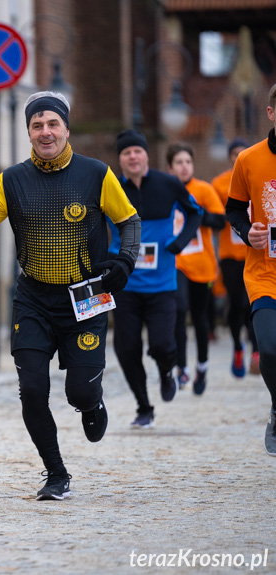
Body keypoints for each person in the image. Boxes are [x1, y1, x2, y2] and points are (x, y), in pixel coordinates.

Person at [0, 91, 141, 501]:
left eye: (52, 124)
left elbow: (129, 220)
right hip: (34, 300)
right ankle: (56, 472)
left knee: (79, 391)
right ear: (28, 132)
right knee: (32, 389)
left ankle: (91, 403)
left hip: (87, 297)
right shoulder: (12, 180)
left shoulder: (96, 173)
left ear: (66, 128)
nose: (45, 132)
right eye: (37, 126)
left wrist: (125, 263)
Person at [108, 130, 202, 429]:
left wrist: (180, 242)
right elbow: (94, 224)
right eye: (126, 153)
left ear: (147, 155)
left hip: (162, 285)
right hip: (125, 285)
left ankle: (166, 372)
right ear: (120, 158)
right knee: (126, 348)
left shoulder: (168, 183)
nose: (132, 157)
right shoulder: (109, 188)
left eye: (137, 151)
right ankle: (143, 406)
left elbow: (195, 212)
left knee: (162, 344)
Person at [226, 82, 276, 456]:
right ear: (271, 113)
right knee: (270, 349)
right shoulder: (249, 160)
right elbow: (233, 209)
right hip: (264, 274)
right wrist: (248, 232)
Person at [166, 142, 225, 395]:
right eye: (179, 162)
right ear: (170, 167)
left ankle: (202, 366)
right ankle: (181, 367)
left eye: (187, 162)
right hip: (176, 263)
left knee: (200, 318)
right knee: (179, 310)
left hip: (202, 264)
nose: (184, 166)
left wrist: (196, 213)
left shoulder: (203, 189)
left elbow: (220, 221)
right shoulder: (165, 189)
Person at [212, 137, 259, 377]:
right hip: (230, 254)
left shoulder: (257, 177)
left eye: (243, 152)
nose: (239, 157)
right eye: (235, 154)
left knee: (253, 303)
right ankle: (238, 346)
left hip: (255, 251)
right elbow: (218, 215)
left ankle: (255, 350)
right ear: (231, 158)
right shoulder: (220, 184)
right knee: (236, 303)